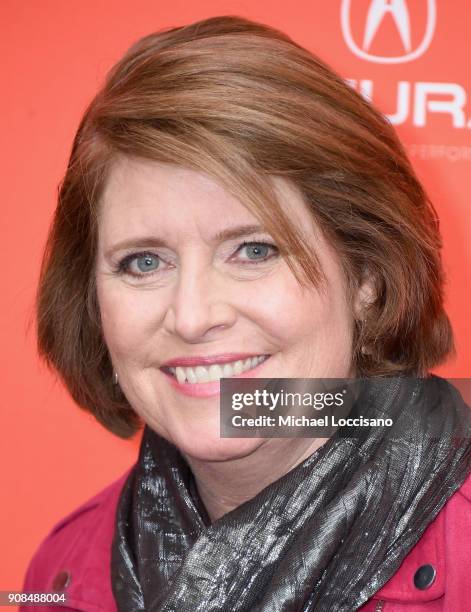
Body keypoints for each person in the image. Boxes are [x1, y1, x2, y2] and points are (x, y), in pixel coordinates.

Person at [21, 15, 471, 612]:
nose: (191, 316)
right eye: (143, 263)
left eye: (254, 250)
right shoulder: (60, 574)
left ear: (365, 276)